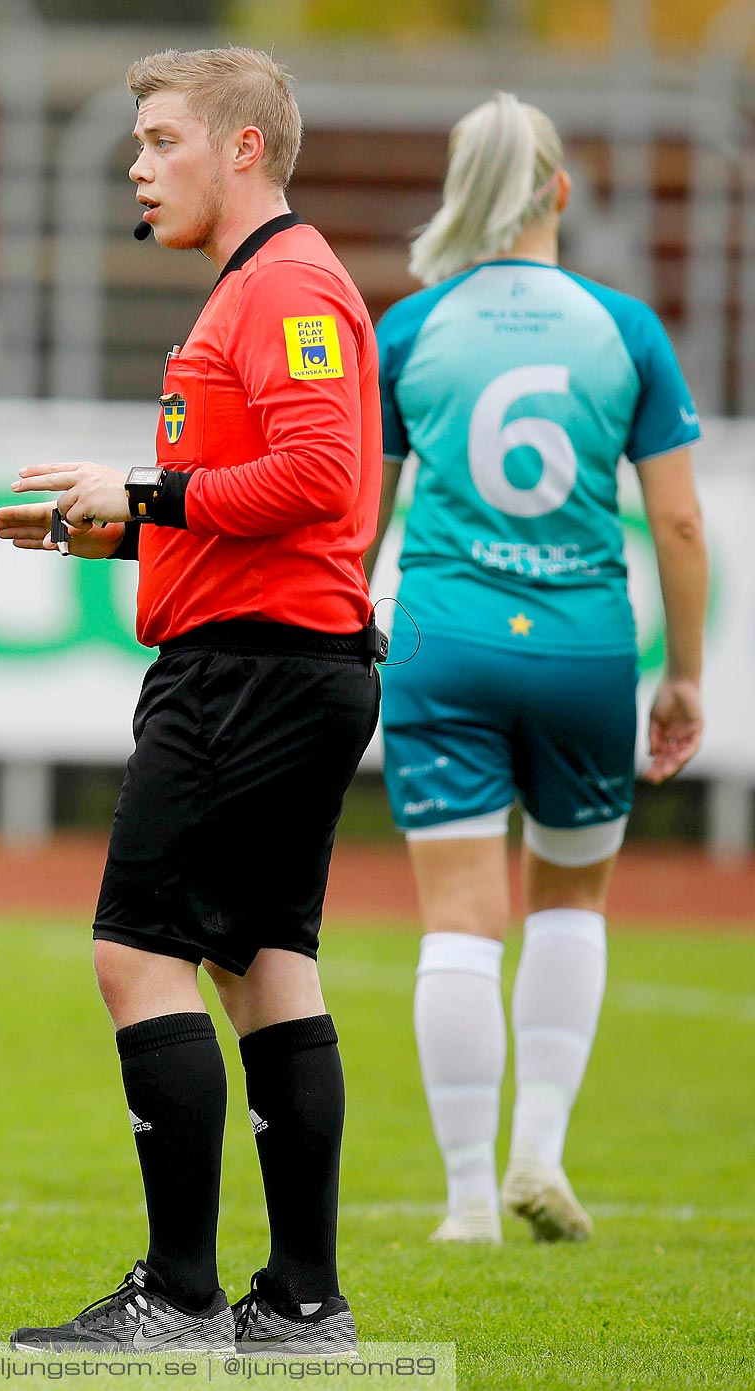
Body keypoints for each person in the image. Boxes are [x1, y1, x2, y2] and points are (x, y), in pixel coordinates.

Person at [0, 47, 381, 1356]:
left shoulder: (288, 285)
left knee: (135, 950)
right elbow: (249, 504)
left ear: (244, 150)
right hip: (276, 656)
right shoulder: (261, 289)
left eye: (161, 140)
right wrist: (91, 534)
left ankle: (181, 1294)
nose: (141, 167)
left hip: (252, 669)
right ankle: (301, 1304)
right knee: (262, 962)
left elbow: (321, 476)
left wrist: (143, 495)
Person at [369, 94, 707, 1246]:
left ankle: (466, 1197)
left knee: (459, 919)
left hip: (440, 639)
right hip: (582, 648)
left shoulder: (407, 328)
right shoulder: (627, 329)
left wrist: (347, 641)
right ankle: (540, 1153)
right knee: (572, 898)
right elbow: (680, 529)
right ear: (562, 192)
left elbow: (358, 524)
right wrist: (686, 675)